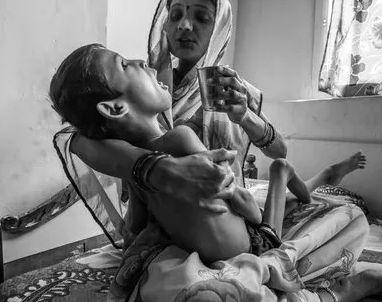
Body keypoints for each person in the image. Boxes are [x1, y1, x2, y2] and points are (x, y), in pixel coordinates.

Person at [52, 0, 382, 302]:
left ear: (219, 27)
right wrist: (157, 174)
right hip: (184, 237)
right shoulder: (151, 84)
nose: (184, 25)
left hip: (237, 215)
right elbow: (80, 140)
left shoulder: (235, 90)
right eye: (175, 15)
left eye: (201, 17)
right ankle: (298, 285)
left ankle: (295, 253)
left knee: (348, 215)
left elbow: (278, 153)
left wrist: (245, 116)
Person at [50, 43, 322, 262]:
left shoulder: (187, 124)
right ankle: (291, 177)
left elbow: (135, 228)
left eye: (201, 18)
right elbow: (140, 227)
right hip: (232, 243)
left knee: (270, 228)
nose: (141, 63)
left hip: (249, 243)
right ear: (114, 109)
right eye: (124, 64)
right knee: (272, 217)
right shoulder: (156, 146)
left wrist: (246, 116)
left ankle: (284, 173)